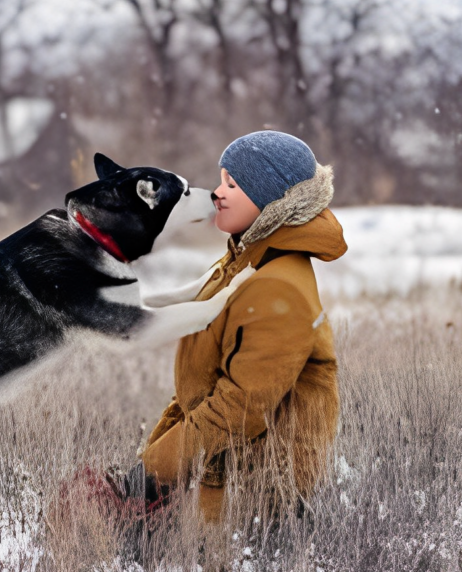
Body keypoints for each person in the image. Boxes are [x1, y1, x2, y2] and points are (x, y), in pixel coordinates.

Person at [123, 130, 348, 523]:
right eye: (220, 180)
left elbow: (241, 408)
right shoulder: (244, 263)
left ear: (269, 198)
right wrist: (150, 467)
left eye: (233, 183)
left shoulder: (276, 286)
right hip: (226, 480)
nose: (217, 192)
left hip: (257, 500)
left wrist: (153, 474)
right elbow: (202, 385)